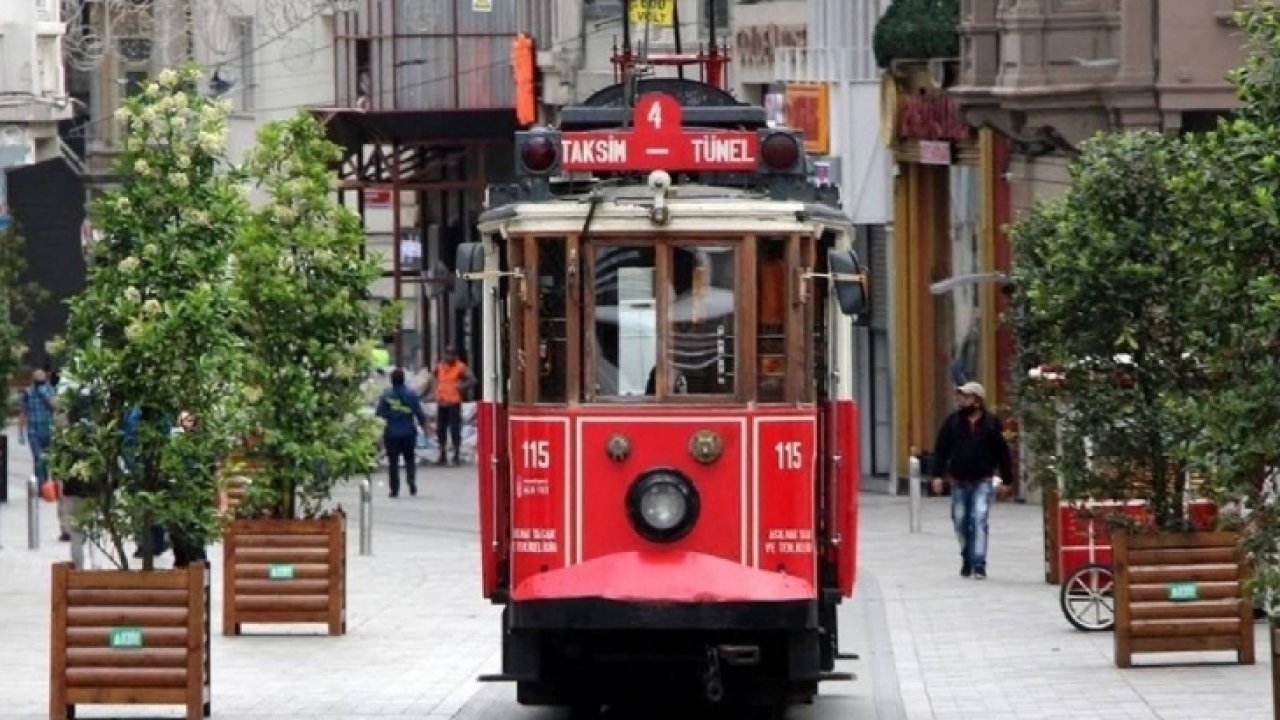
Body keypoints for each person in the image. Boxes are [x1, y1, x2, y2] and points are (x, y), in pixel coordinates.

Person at [931, 381, 1014, 580]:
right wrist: (937, 475)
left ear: (977, 401)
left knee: (978, 518)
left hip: (982, 480)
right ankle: (966, 558)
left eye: (966, 397)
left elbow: (1002, 453)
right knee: (960, 521)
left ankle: (978, 563)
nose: (961, 400)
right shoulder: (952, 422)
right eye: (960, 396)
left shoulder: (992, 424)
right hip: (959, 481)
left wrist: (1007, 480)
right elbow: (941, 450)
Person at [17, 369, 68, 541]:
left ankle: (51, 486)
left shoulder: (49, 391)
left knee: (52, 461)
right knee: (39, 460)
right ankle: (41, 489)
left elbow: (56, 407)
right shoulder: (27, 392)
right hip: (34, 430)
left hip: (49, 430)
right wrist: (21, 432)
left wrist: (45, 394)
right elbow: (23, 412)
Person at [377, 368, 428, 496]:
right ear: (404, 380)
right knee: (410, 459)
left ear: (391, 380)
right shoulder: (411, 395)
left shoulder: (386, 395)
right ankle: (411, 483)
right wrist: (425, 428)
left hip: (392, 433)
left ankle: (394, 489)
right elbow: (419, 414)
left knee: (393, 462)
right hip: (408, 432)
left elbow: (379, 414)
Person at [421, 347, 475, 466]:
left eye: (450, 355)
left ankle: (456, 454)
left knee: (455, 429)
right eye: (446, 355)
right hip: (442, 402)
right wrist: (434, 391)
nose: (447, 358)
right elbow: (433, 376)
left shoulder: (460, 367)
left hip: (454, 402)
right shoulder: (440, 366)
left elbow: (472, 380)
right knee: (441, 429)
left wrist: (460, 387)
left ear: (455, 356)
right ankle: (442, 454)